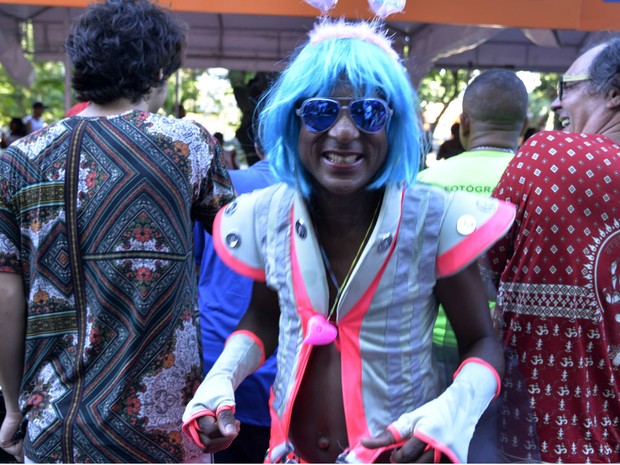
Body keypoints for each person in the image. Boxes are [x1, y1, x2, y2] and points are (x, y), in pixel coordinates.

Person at [183, 19, 515, 464]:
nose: (343, 131)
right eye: (321, 111)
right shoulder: (267, 216)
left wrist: (455, 409)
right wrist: (220, 378)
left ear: (392, 125)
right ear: (293, 121)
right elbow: (261, 320)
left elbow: (482, 341)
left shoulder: (432, 220)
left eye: (368, 112)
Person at [0, 0, 234, 463]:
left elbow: (6, 297)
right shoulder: (187, 146)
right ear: (159, 68)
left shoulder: (17, 160)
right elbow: (245, 245)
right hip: (163, 432)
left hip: (56, 429)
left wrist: (11, 407)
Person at [487, 38, 620, 463]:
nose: (558, 104)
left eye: (568, 87)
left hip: (539, 438)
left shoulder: (550, 153)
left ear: (615, 93)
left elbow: (482, 261)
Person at [417, 68, 529, 388]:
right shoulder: (535, 184)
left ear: (464, 123)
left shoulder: (426, 184)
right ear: (522, 126)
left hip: (436, 338)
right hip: (511, 339)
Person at [194, 144, 276, 463]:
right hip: (292, 373)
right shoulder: (337, 192)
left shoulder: (221, 186)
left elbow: (195, 264)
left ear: (256, 144)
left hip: (217, 359)